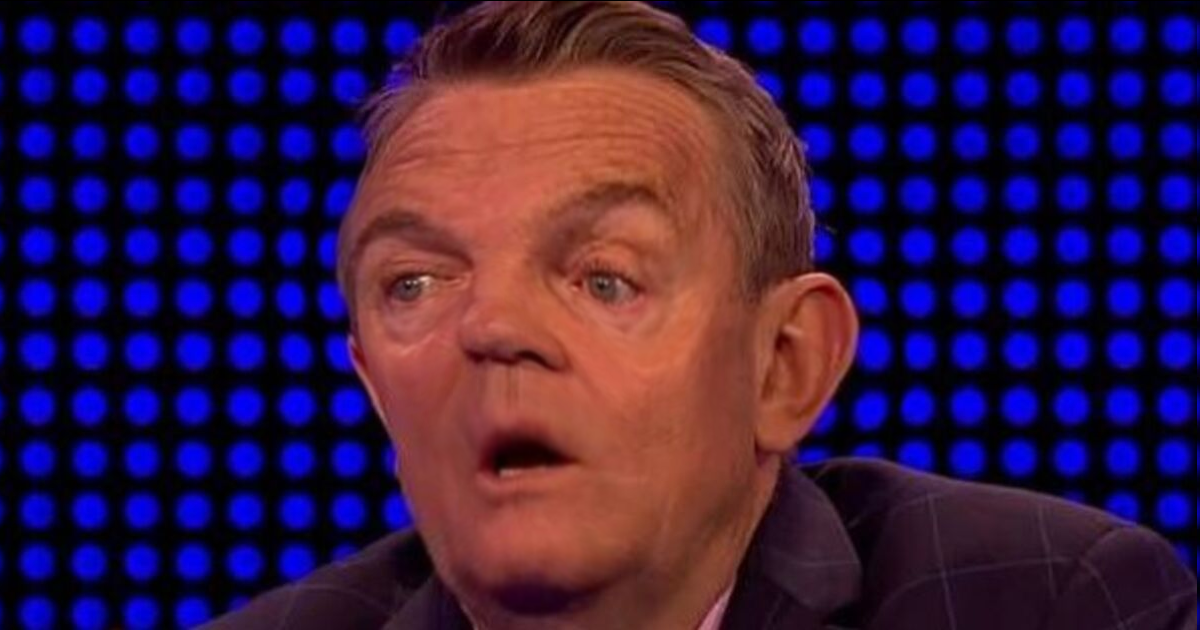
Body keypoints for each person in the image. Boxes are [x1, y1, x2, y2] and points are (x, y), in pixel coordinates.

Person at [205, 2, 1195, 628]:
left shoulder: (1046, 601)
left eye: (604, 278)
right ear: (375, 385)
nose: (492, 327)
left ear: (785, 365)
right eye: (415, 284)